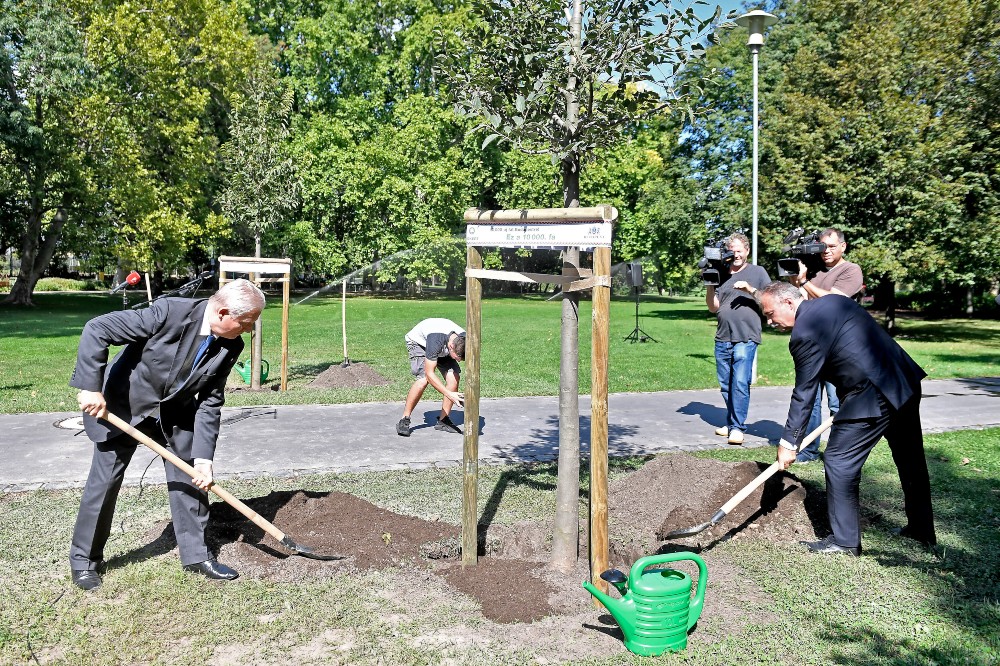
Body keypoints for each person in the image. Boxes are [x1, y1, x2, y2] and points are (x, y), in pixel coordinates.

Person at [69, 278, 266, 590]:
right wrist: (90, 388)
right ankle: (85, 562)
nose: (248, 330)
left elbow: (210, 400)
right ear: (224, 313)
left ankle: (196, 555)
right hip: (123, 407)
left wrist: (203, 459)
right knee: (104, 483)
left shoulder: (231, 344)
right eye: (246, 323)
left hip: (174, 416)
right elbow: (98, 328)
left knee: (190, 477)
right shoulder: (168, 313)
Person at [758, 281, 936, 556]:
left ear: (789, 303)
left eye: (770, 313)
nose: (770, 322)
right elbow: (851, 350)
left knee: (839, 460)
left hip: (872, 394)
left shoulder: (804, 333)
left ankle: (844, 541)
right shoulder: (834, 302)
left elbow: (805, 392)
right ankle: (921, 529)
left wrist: (788, 442)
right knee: (910, 458)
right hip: (904, 380)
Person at [787, 228, 863, 463]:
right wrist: (796, 279)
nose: (826, 251)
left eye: (831, 246)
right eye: (822, 246)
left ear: (843, 246)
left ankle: (839, 451)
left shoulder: (851, 270)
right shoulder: (815, 270)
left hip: (837, 348)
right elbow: (798, 299)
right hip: (812, 345)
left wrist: (805, 283)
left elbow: (833, 301)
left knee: (837, 402)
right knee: (810, 400)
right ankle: (808, 451)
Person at [706, 232, 771, 445]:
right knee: (726, 384)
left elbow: (769, 300)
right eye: (732, 250)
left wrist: (749, 288)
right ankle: (732, 420)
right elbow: (713, 307)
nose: (735, 255)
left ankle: (737, 427)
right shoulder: (721, 272)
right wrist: (709, 286)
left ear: (747, 251)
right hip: (723, 336)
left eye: (739, 251)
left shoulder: (758, 272)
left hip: (746, 335)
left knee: (740, 383)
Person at [396, 318, 466, 437]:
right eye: (458, 357)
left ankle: (443, 421)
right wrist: (450, 394)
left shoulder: (464, 340)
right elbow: (430, 374)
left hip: (443, 346)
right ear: (451, 346)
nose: (459, 360)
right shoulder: (435, 340)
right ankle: (404, 419)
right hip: (419, 343)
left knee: (454, 378)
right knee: (423, 380)